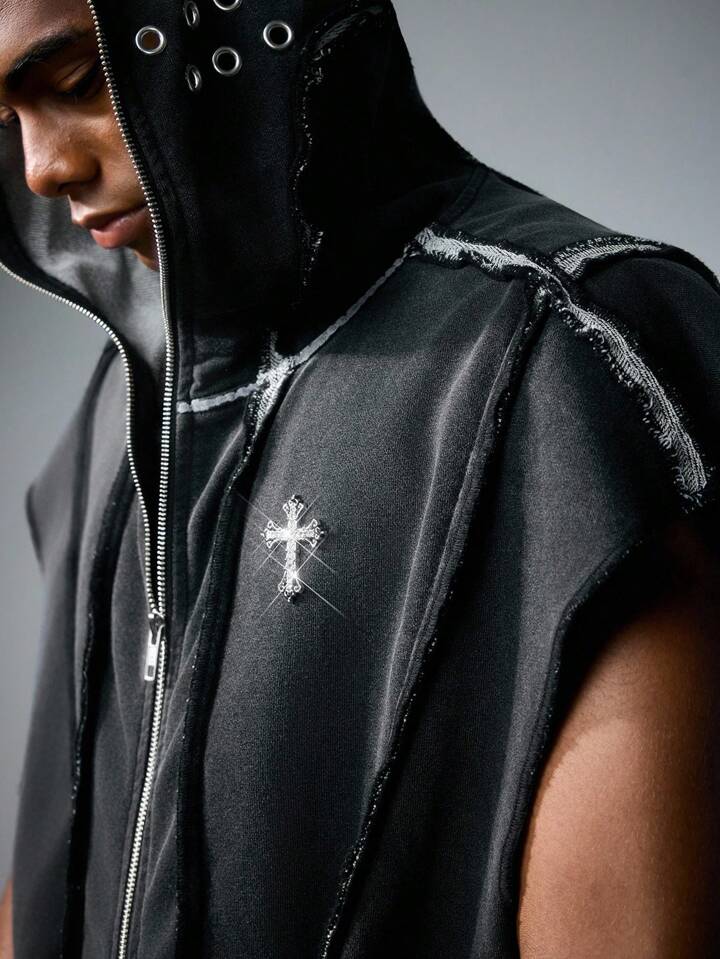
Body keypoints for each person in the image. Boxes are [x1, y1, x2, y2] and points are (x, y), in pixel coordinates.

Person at [1, 0, 719, 956]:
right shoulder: (115, 421)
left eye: (79, 81)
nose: (42, 168)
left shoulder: (564, 359)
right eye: (5, 118)